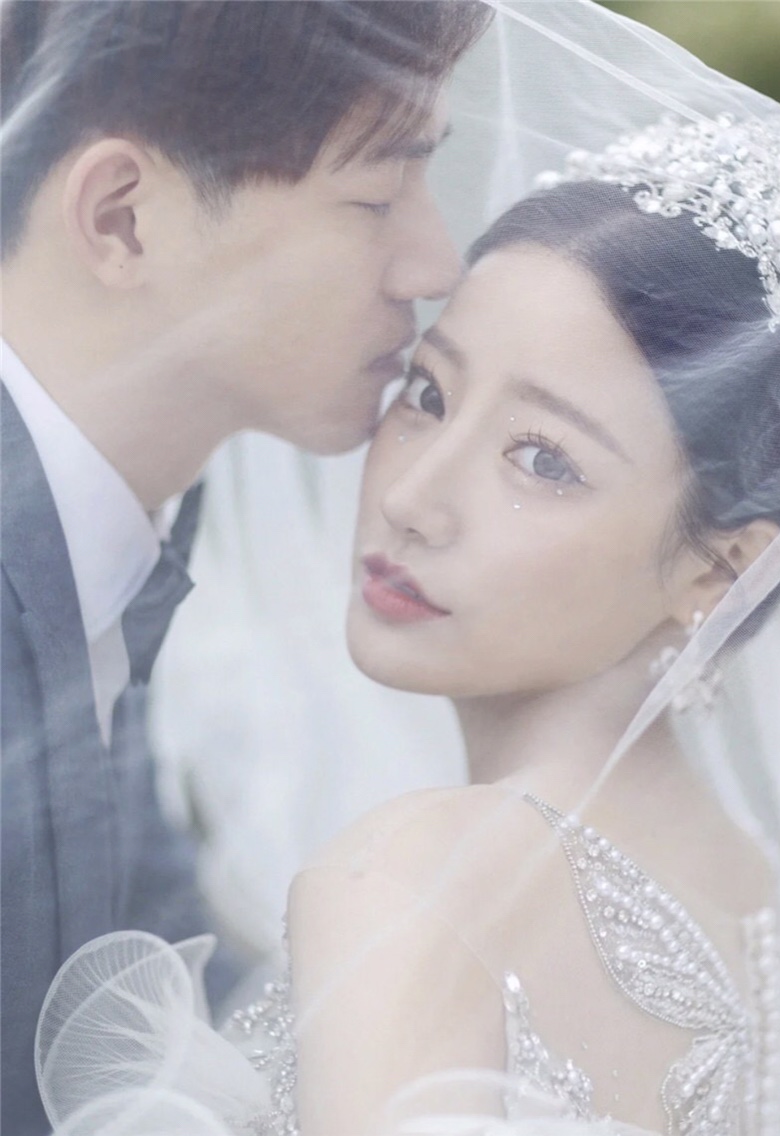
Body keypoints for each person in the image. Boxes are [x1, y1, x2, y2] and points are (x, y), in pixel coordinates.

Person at [32, 2, 780, 1135]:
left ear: (722, 573)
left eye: (543, 459)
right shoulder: (764, 899)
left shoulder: (408, 884)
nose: (413, 497)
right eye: (427, 391)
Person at [0, 3, 491, 1133]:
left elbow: (128, 958)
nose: (435, 262)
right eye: (375, 196)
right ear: (123, 218)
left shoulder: (120, 519)